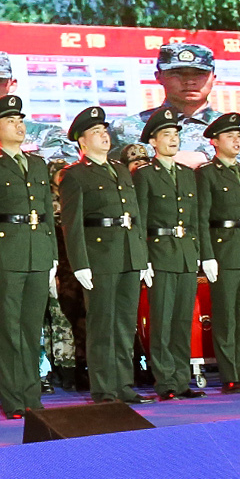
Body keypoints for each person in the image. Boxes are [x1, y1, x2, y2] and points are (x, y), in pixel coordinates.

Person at [0, 93, 60, 417]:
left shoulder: (36, 164)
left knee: (32, 329)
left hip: (37, 253)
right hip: (5, 254)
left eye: (20, 120)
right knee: (8, 329)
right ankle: (12, 399)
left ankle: (32, 396)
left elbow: (47, 212)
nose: (19, 126)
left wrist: (52, 256)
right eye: (11, 121)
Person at [60, 106, 150, 403]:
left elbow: (134, 215)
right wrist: (80, 263)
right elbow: (72, 224)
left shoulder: (120, 169)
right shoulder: (75, 175)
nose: (104, 135)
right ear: (82, 141)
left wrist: (141, 255)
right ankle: (104, 389)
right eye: (96, 132)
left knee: (124, 324)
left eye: (104, 130)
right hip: (100, 256)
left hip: (127, 253)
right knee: (101, 325)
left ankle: (124, 384)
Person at [136, 107, 208, 398]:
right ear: (153, 142)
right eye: (166, 134)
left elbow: (196, 218)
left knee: (182, 320)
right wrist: (144, 258)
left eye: (176, 134)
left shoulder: (187, 174)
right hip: (160, 252)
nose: (173, 139)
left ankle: (181, 378)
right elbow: (140, 219)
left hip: (185, 252)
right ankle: (165, 381)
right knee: (162, 320)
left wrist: (198, 251)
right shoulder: (145, 175)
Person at [197, 113, 240, 392]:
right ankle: (230, 375)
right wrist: (207, 254)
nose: (237, 141)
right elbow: (201, 218)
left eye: (239, 136)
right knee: (226, 316)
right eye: (230, 136)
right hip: (224, 250)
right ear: (215, 141)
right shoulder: (206, 173)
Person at [149, 41, 240, 168]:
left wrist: (207, 157)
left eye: (199, 74)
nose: (189, 81)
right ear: (158, 77)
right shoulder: (130, 128)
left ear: (213, 78)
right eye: (177, 73)